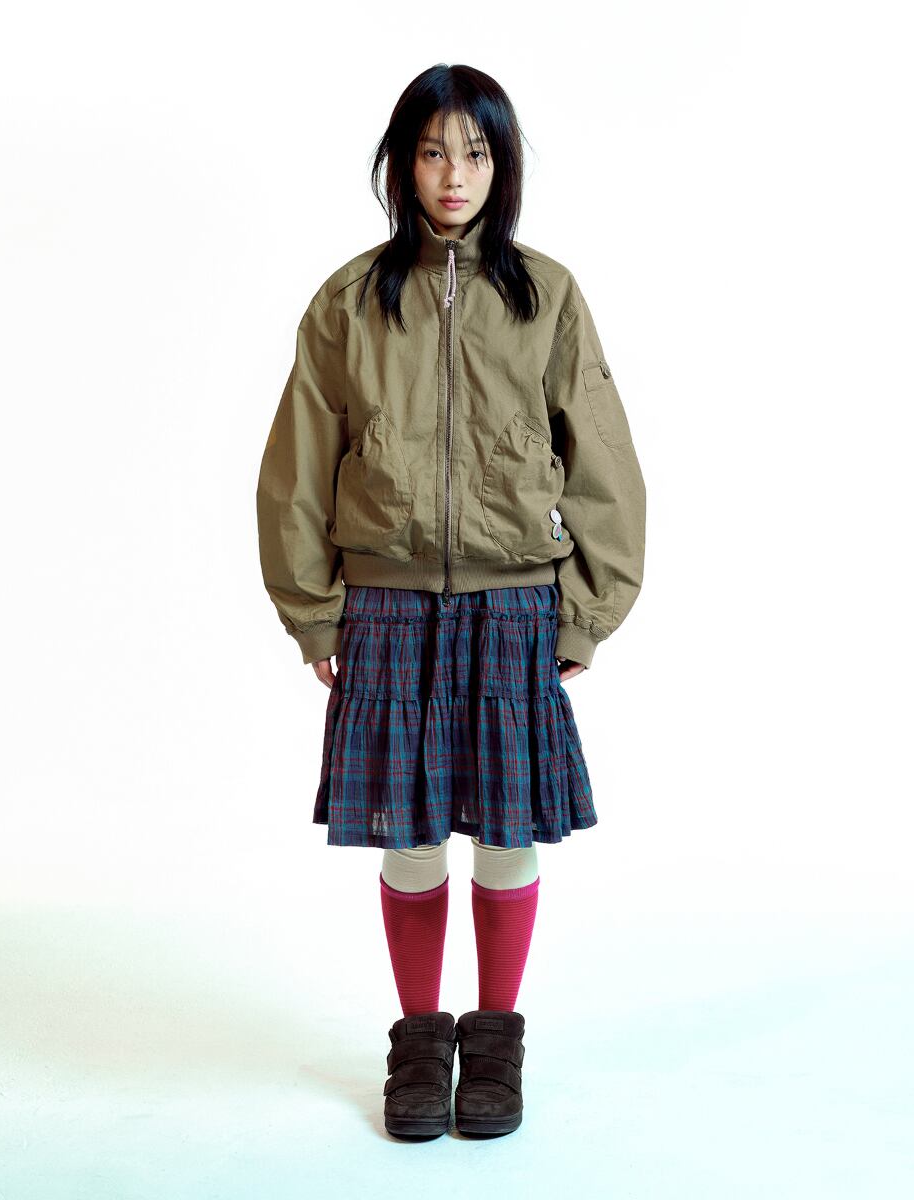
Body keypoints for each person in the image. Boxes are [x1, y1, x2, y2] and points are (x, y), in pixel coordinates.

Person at [255, 63, 646, 1140]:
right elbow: (298, 464)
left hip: (515, 604)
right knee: (410, 836)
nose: (453, 173)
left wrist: (587, 609)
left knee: (509, 834)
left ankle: (497, 1040)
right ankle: (421, 1042)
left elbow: (602, 459)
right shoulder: (349, 302)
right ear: (402, 165)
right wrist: (313, 610)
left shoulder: (546, 296)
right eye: (432, 152)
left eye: (474, 152)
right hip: (383, 606)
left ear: (502, 164)